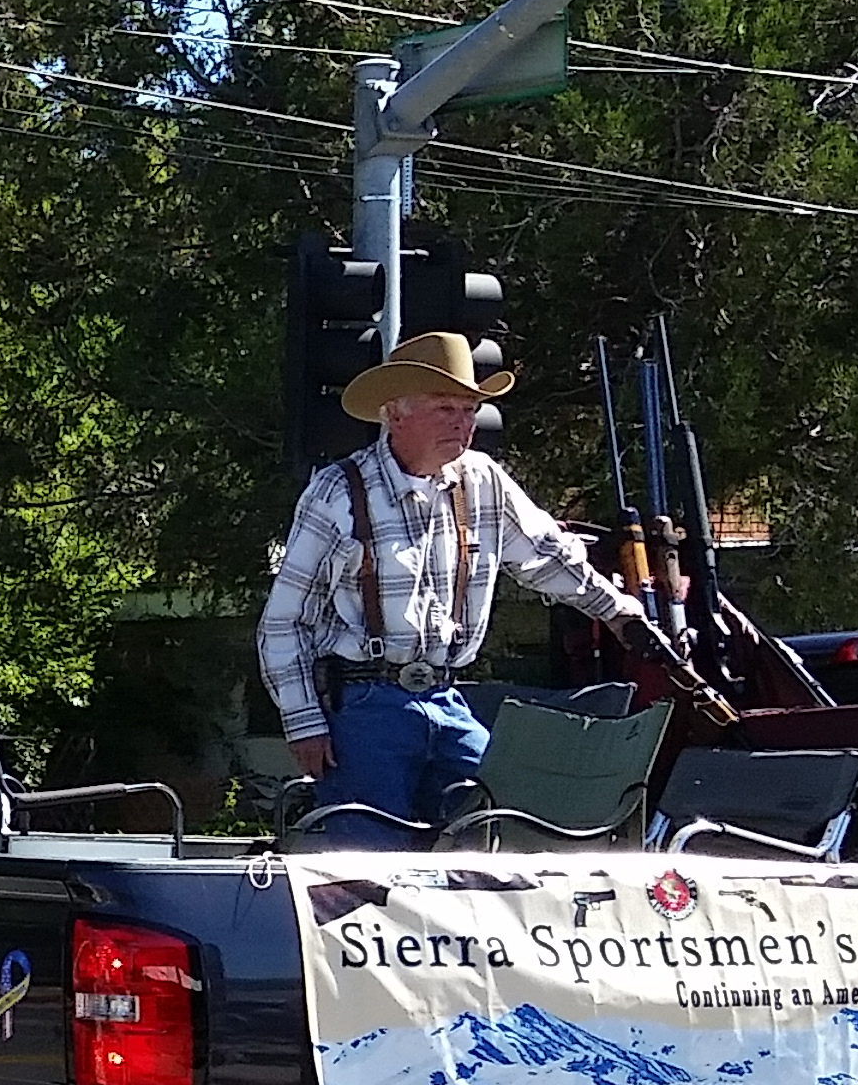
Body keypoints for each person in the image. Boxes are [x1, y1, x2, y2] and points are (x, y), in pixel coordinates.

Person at [257, 329, 654, 837]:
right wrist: (304, 722)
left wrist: (617, 611)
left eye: (470, 410)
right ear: (395, 414)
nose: (463, 423)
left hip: (447, 698)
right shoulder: (338, 492)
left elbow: (548, 556)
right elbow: (285, 623)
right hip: (364, 707)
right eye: (446, 408)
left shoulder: (482, 481)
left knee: (502, 829)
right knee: (368, 861)